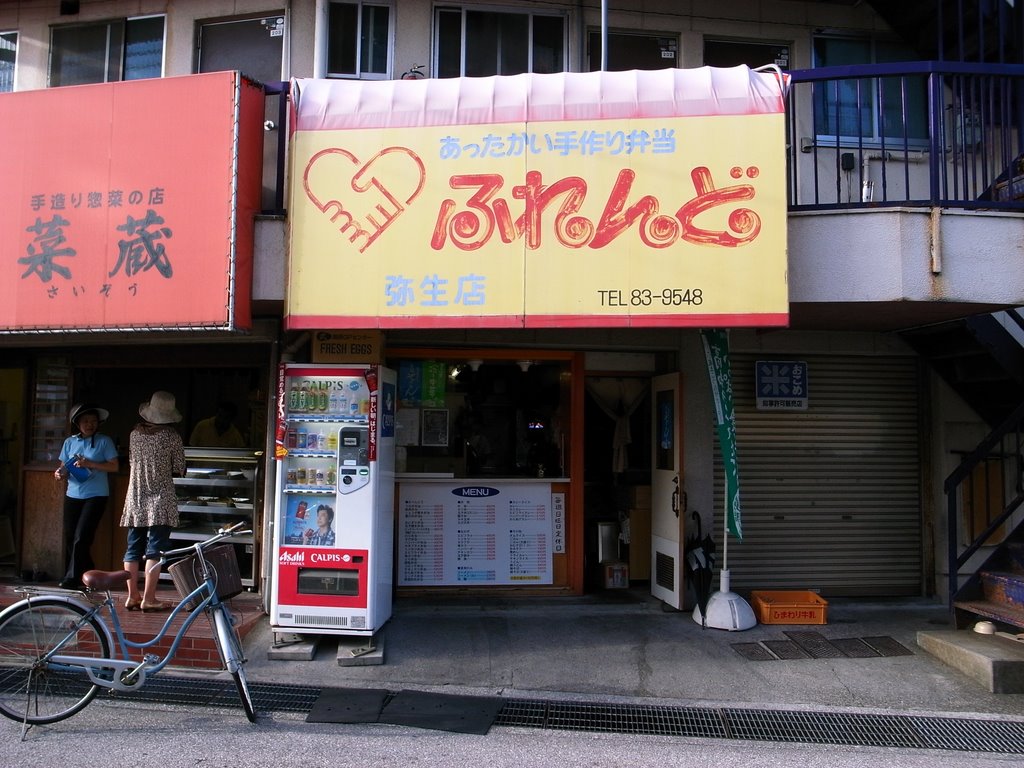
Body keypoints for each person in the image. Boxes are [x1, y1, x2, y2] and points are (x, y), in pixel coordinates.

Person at [121, 391, 186, 612]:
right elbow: (180, 468)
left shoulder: (134, 434)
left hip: (135, 496)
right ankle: (149, 598)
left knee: (132, 548)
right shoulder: (171, 437)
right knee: (155, 549)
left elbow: (131, 461)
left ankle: (132, 596)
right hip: (161, 498)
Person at [54, 404, 119, 590]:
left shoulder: (104, 441)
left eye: (93, 421)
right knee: (70, 536)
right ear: (78, 424)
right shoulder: (69, 442)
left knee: (82, 536)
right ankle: (89, 573)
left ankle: (72, 578)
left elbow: (114, 466)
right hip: (72, 494)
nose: (90, 424)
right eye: (85, 421)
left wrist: (90, 463)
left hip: (96, 495)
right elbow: (62, 467)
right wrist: (59, 473)